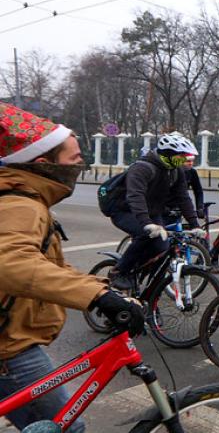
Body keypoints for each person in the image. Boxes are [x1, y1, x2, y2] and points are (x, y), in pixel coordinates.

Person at [0, 103, 145, 432]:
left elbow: (46, 265)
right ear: (44, 164)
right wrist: (97, 297)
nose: (81, 164)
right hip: (9, 348)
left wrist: (102, 290)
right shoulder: (21, 204)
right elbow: (11, 262)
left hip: (11, 338)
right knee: (66, 427)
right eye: (74, 158)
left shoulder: (25, 197)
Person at [106, 133, 206, 290]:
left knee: (161, 247)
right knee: (145, 234)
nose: (184, 161)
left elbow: (183, 197)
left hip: (152, 211)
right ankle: (119, 271)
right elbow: (135, 196)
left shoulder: (175, 170)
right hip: (124, 210)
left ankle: (137, 273)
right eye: (181, 156)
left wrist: (194, 224)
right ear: (168, 154)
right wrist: (146, 223)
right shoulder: (142, 168)